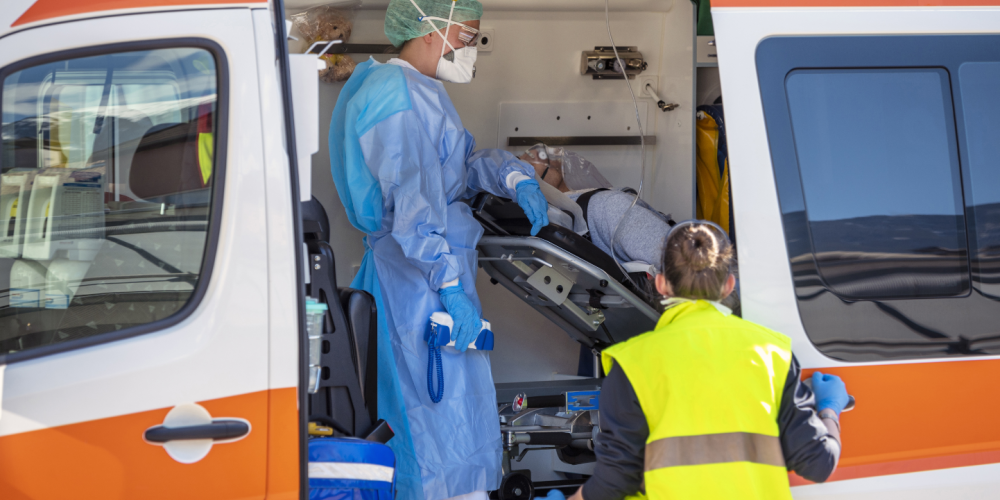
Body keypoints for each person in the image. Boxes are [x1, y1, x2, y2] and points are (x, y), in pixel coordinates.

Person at [327, 2, 549, 500]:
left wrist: (513, 176)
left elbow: (454, 170)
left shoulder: (420, 91)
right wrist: (448, 286)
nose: (473, 48)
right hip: (417, 280)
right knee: (429, 421)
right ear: (430, 29)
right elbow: (413, 203)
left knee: (455, 416)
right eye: (467, 36)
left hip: (432, 275)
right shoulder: (395, 93)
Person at [560, 221, 848, 500]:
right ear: (729, 285)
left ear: (661, 284)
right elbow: (818, 464)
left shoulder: (632, 363)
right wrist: (829, 409)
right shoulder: (774, 353)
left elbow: (615, 481)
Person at [517, 144, 673, 273]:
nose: (533, 155)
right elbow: (678, 262)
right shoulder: (608, 206)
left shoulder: (596, 207)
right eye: (522, 163)